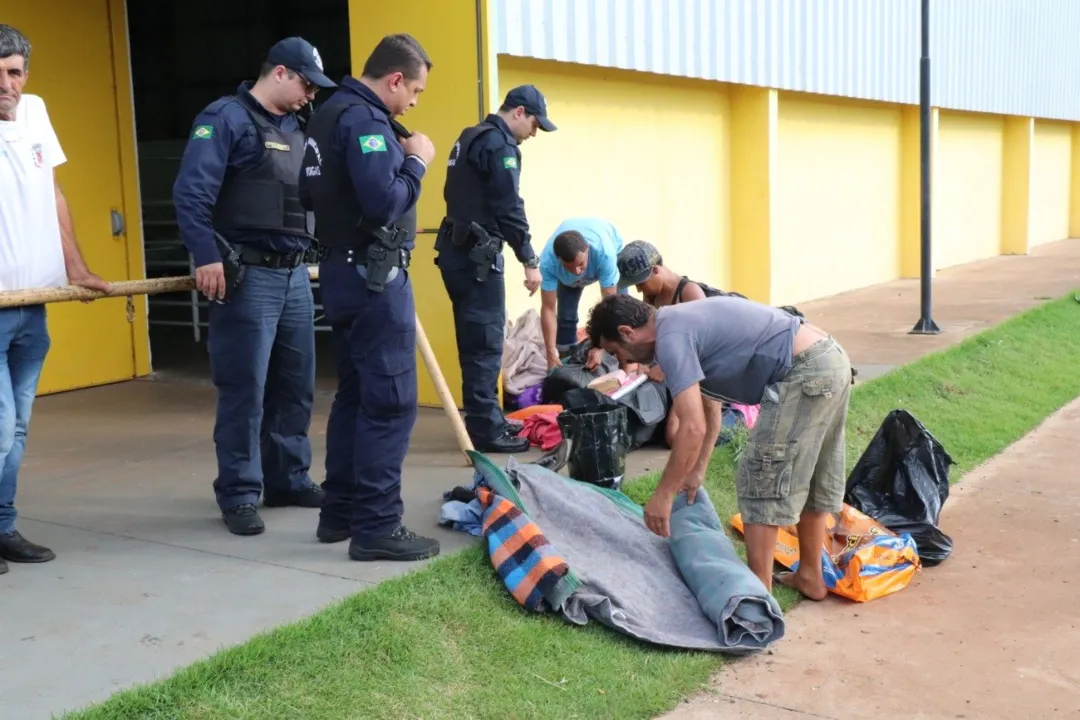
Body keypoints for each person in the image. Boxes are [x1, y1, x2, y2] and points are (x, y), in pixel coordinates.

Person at [173, 37, 338, 536]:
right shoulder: (224, 119)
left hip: (292, 275)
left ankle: (287, 478)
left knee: (295, 385)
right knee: (246, 389)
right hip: (246, 276)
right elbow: (191, 193)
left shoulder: (298, 126)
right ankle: (240, 492)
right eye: (307, 84)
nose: (311, 95)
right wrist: (205, 255)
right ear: (281, 73)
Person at [585, 293, 852, 601]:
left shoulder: (671, 337)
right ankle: (810, 576)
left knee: (760, 479)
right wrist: (697, 468)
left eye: (617, 352)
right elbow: (710, 405)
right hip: (829, 359)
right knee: (813, 473)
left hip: (805, 370)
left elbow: (691, 427)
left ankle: (756, 601)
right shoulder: (678, 322)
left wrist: (663, 495)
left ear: (626, 332)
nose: (624, 361)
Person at [299, 33, 440, 562]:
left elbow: (307, 195)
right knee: (392, 403)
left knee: (357, 396)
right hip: (374, 277)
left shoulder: (326, 115)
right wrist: (417, 162)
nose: (413, 103)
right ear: (395, 79)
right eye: (416, 91)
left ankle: (339, 513)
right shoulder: (365, 120)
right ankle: (377, 526)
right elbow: (383, 202)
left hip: (340, 271)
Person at [0, 24, 111, 571]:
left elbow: (53, 193)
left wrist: (78, 267)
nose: (6, 84)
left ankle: (3, 527)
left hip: (33, 304)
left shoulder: (37, 111)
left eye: (14, 72)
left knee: (16, 429)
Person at [436, 85, 555, 454]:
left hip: (458, 251)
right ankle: (486, 431)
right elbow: (508, 207)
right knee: (485, 345)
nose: (534, 133)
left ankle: (483, 419)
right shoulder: (500, 146)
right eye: (534, 124)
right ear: (518, 112)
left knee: (476, 342)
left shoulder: (468, 137)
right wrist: (529, 259)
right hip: (478, 259)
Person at [539, 217, 626, 372]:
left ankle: (624, 360)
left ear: (587, 249)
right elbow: (548, 308)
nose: (577, 272)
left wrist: (600, 346)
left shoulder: (604, 253)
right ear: (559, 260)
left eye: (580, 265)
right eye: (569, 267)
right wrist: (551, 351)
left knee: (622, 312)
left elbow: (610, 305)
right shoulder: (548, 263)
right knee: (566, 317)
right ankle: (565, 364)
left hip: (609, 254)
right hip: (568, 279)